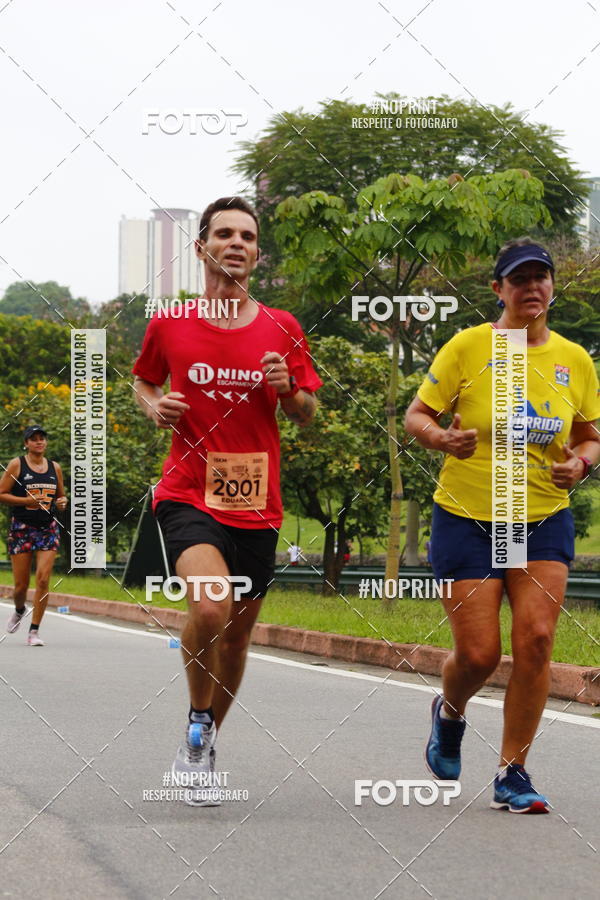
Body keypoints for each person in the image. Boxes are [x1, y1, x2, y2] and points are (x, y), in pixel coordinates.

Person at [133, 196, 322, 805]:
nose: (237, 243)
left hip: (257, 502)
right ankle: (197, 720)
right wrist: (154, 406)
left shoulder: (282, 327)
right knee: (210, 609)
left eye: (247, 236)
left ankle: (205, 743)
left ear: (257, 254)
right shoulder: (170, 324)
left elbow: (307, 413)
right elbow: (144, 380)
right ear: (202, 247)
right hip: (188, 492)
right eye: (225, 234)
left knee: (237, 639)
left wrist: (288, 390)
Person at [405, 238, 600, 814]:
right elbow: (418, 415)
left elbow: (590, 435)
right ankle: (450, 713)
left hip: (541, 517)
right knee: (479, 654)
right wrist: (442, 438)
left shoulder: (574, 360)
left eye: (541, 277)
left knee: (536, 640)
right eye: (519, 279)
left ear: (552, 286)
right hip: (467, 516)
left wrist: (582, 464)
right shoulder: (469, 347)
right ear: (499, 289)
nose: (532, 287)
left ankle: (512, 772)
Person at [0, 425, 68, 645]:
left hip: (47, 528)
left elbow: (60, 498)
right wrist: (26, 501)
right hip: (22, 528)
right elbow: (1, 494)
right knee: (21, 586)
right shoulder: (17, 464)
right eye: (34, 439)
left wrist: (62, 503)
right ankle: (19, 609)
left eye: (42, 438)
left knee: (43, 579)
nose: (39, 442)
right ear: (26, 443)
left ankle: (34, 631)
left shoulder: (55, 467)